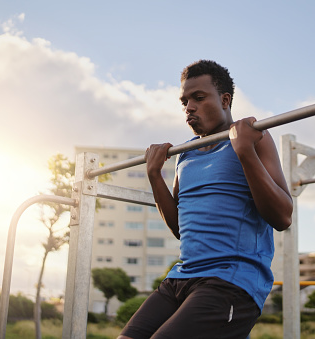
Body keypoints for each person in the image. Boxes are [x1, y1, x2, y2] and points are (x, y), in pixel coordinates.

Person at [118, 60, 293, 339]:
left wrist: (244, 151)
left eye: (198, 98)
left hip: (231, 280)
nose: (189, 107)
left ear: (225, 100)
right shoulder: (186, 154)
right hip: (181, 277)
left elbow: (283, 217)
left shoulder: (253, 137)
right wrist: (153, 175)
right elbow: (180, 229)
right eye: (185, 101)